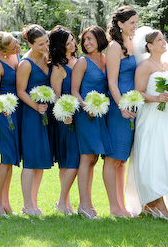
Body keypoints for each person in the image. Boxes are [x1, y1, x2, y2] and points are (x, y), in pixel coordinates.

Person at [126, 29, 168, 219]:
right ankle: (155, 202)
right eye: (160, 40)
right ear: (149, 46)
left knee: (165, 156)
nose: (164, 42)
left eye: (163, 39)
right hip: (151, 115)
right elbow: (138, 92)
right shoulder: (145, 66)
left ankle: (154, 202)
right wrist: (156, 98)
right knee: (152, 156)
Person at [71, 25, 113, 219]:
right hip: (86, 115)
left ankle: (87, 204)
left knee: (94, 159)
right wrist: (85, 105)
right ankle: (84, 205)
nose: (86, 43)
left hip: (102, 114)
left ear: (99, 39)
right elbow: (74, 91)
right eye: (84, 40)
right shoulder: (82, 62)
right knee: (87, 158)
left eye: (90, 39)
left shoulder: (107, 59)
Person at [105, 6, 139, 217]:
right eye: (132, 23)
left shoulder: (132, 43)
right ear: (120, 24)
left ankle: (122, 205)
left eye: (136, 22)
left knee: (122, 160)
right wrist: (121, 106)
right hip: (119, 108)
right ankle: (113, 207)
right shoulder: (114, 47)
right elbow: (112, 81)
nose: (136, 26)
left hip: (133, 106)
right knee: (112, 159)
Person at [16, 24, 52, 216]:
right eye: (40, 44)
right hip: (31, 114)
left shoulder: (47, 57)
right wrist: (36, 106)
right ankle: (27, 204)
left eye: (46, 41)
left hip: (45, 114)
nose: (45, 46)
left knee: (40, 160)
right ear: (30, 43)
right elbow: (21, 91)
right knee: (30, 160)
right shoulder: (25, 64)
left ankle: (33, 203)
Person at [0, 31, 21, 216]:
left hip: (18, 112)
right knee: (7, 157)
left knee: (11, 159)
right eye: (14, 46)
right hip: (3, 113)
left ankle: (5, 201)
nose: (18, 46)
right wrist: (4, 106)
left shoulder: (15, 56)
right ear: (5, 50)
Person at [49, 25, 80, 215]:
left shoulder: (77, 60)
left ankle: (65, 203)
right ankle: (62, 202)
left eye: (73, 40)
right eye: (68, 43)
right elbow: (56, 96)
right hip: (65, 118)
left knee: (69, 161)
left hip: (81, 115)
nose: (73, 44)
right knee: (71, 161)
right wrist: (65, 114)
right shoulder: (59, 67)